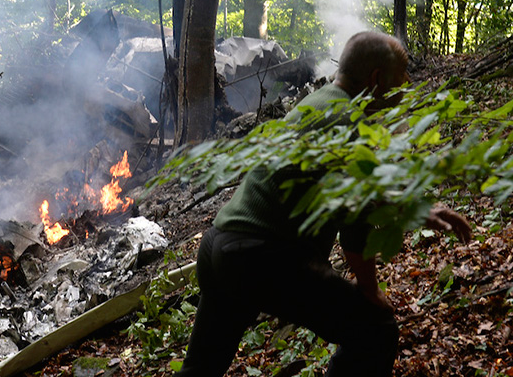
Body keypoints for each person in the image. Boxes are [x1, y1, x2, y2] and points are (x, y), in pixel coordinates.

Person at [174, 32, 472, 377]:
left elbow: (361, 191)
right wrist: (370, 290)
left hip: (219, 248)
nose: (407, 82)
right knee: (376, 330)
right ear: (376, 79)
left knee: (200, 369)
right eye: (401, 74)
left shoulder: (320, 103)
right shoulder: (347, 121)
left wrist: (422, 211)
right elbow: (356, 221)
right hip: (260, 256)